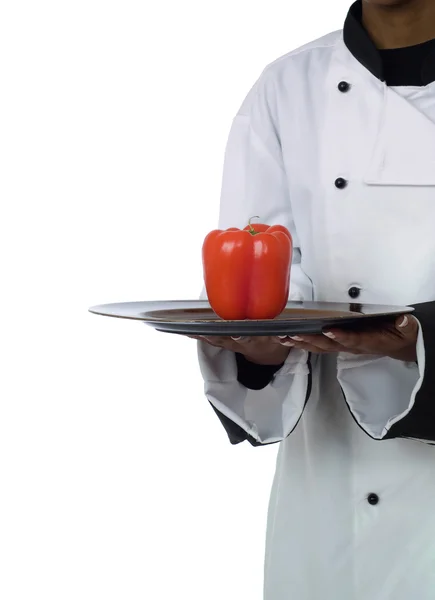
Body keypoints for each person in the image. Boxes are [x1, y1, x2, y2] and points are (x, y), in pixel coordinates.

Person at [195, 0, 435, 598]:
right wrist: (259, 352)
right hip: (329, 488)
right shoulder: (287, 88)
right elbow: (262, 270)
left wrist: (420, 341)